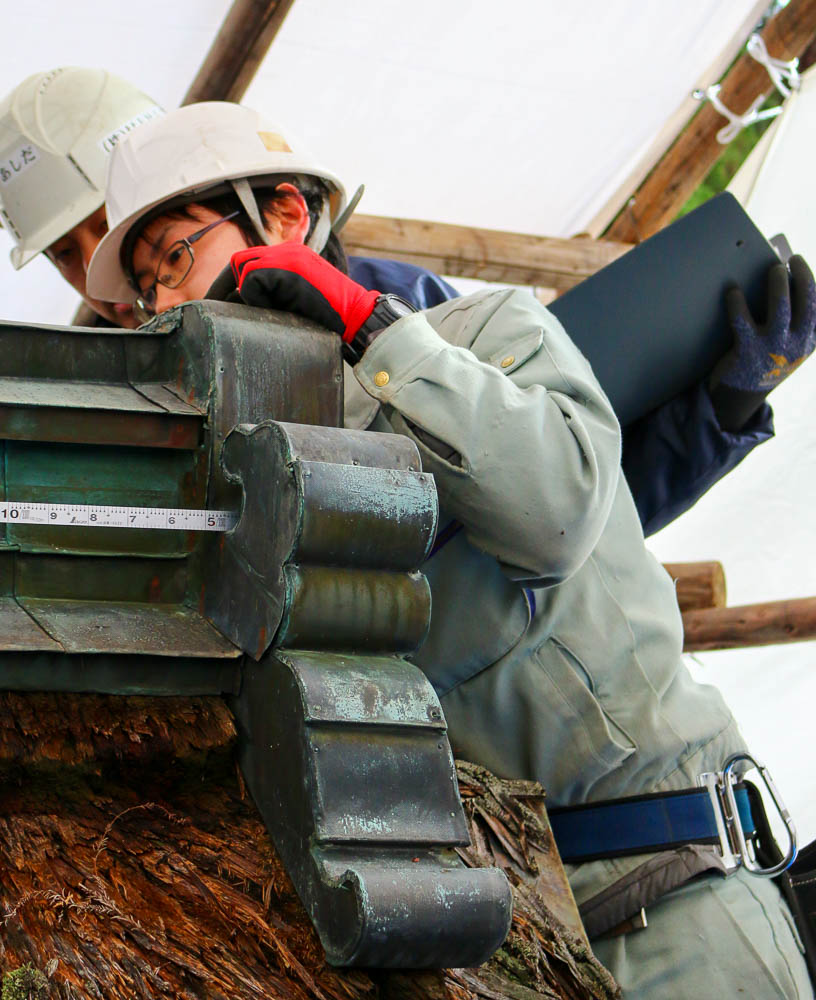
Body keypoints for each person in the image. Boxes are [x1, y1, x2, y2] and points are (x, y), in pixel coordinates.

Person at [82, 101, 814, 999]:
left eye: (174, 258)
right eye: (145, 291)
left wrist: (368, 328)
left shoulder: (487, 336)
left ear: (282, 216)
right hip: (500, 943)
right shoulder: (245, 484)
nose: (162, 303)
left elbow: (551, 515)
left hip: (674, 889)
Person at [0, 68, 792, 538]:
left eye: (129, 233)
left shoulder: (412, 310)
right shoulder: (93, 407)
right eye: (67, 253)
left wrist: (716, 418)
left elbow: (575, 517)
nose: (109, 272)